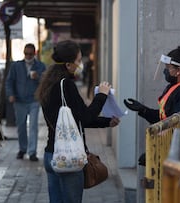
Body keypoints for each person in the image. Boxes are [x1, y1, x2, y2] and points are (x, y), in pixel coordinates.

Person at [36, 40, 120, 203]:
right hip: (68, 158)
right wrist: (102, 95)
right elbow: (86, 116)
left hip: (51, 154)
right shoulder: (66, 85)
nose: (80, 64)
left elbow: (76, 120)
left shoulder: (48, 84)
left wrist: (106, 122)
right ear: (68, 64)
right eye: (78, 60)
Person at [123, 46, 180, 164]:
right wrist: (143, 110)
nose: (165, 71)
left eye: (168, 68)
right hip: (172, 147)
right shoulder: (177, 86)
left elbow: (179, 123)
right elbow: (167, 118)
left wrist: (157, 151)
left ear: (179, 70)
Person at [5, 43, 46, 161]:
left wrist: (37, 76)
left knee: (33, 126)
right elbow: (9, 81)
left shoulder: (40, 66)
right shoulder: (16, 66)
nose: (28, 56)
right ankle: (22, 149)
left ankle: (32, 152)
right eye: (26, 53)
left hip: (34, 100)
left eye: (30, 54)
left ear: (35, 53)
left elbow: (46, 82)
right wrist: (11, 94)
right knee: (21, 126)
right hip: (19, 100)